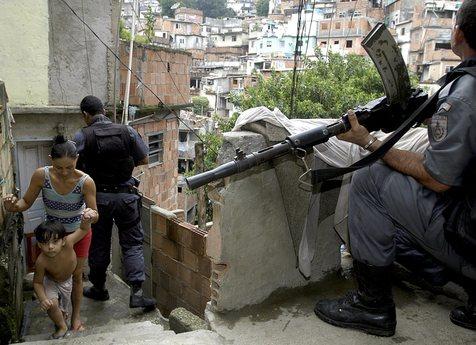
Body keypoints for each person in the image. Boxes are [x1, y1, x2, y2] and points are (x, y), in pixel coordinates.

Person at [315, 0, 476, 336]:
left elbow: (437, 179)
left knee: (370, 179)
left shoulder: (464, 95)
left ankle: (371, 306)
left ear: (458, 33)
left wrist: (368, 142)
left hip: (469, 235)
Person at [3, 135, 98, 332]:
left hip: (78, 233)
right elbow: (25, 203)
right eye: (59, 168)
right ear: (50, 160)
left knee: (77, 276)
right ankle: (59, 314)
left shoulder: (86, 182)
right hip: (52, 237)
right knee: (53, 276)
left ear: (77, 160)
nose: (64, 172)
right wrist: (12, 206)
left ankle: (76, 317)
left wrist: (90, 215)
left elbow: (95, 213)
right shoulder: (41, 176)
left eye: (69, 167)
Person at [74, 95, 156, 309]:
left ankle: (99, 289)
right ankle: (137, 293)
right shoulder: (126, 131)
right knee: (132, 244)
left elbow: (72, 164)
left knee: (99, 243)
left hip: (97, 199)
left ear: (85, 114)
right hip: (126, 196)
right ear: (104, 110)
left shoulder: (82, 135)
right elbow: (145, 159)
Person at [33, 218, 94, 339]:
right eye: (45, 243)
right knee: (51, 304)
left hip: (67, 281)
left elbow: (83, 229)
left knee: (63, 309)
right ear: (39, 244)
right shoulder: (41, 261)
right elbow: (37, 282)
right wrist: (43, 298)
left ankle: (63, 316)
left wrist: (87, 220)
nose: (50, 247)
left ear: (63, 241)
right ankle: (62, 326)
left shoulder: (69, 242)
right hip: (51, 281)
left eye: (55, 241)